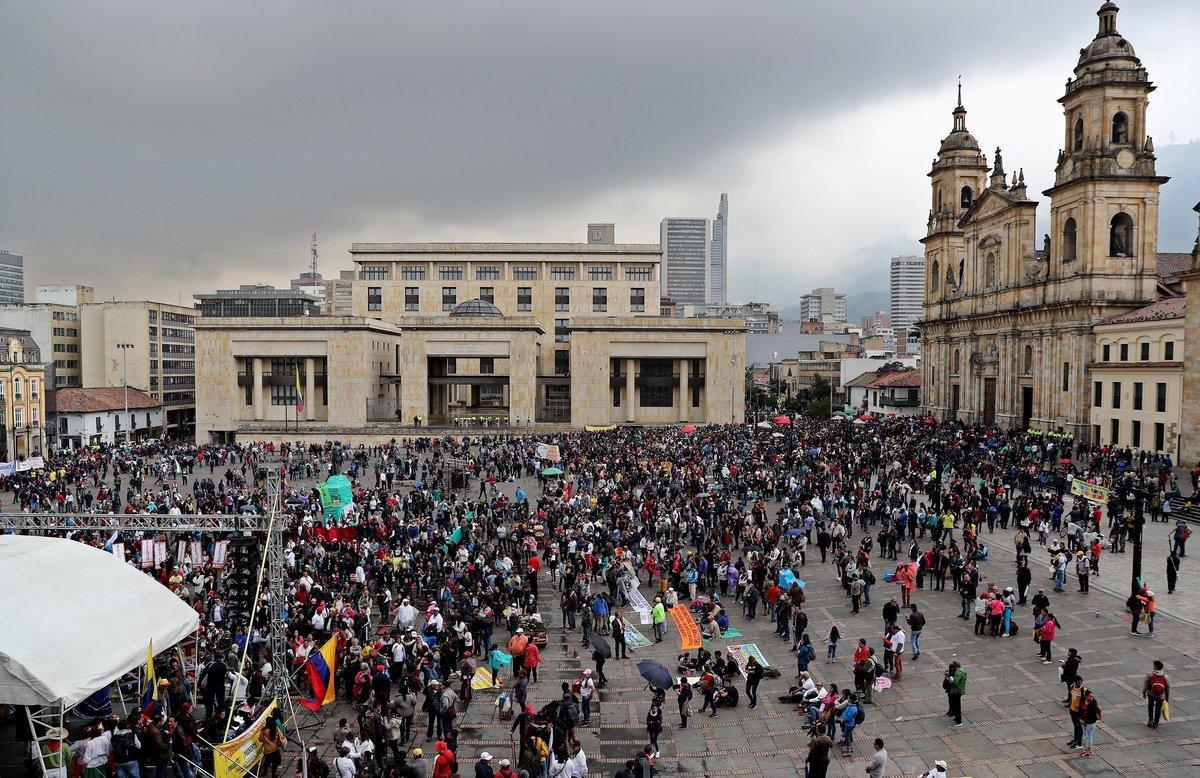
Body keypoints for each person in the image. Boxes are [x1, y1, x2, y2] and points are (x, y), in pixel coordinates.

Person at [1143, 660, 1170, 729]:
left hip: (1151, 693)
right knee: (1158, 709)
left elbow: (1146, 683)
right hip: (1161, 696)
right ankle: (1156, 723)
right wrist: (1167, 697)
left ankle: (1150, 720)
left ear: (1155, 666)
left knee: (1150, 706)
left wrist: (1144, 692)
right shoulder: (1165, 676)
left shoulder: (1150, 674)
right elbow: (1168, 687)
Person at [1080, 689, 1101, 757]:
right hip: (1084, 721)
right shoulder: (1083, 700)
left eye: (1092, 696)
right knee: (1086, 734)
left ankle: (1088, 750)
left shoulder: (1093, 705)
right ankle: (1086, 749)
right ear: (1086, 696)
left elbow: (1093, 716)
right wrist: (1080, 718)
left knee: (1088, 736)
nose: (1091, 698)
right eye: (1090, 696)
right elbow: (1080, 710)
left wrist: (1085, 720)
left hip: (1090, 723)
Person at [944, 661, 965, 726]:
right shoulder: (961, 671)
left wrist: (949, 677)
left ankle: (959, 721)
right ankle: (956, 718)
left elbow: (954, 682)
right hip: (957, 690)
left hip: (956, 691)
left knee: (957, 706)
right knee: (956, 705)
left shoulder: (958, 673)